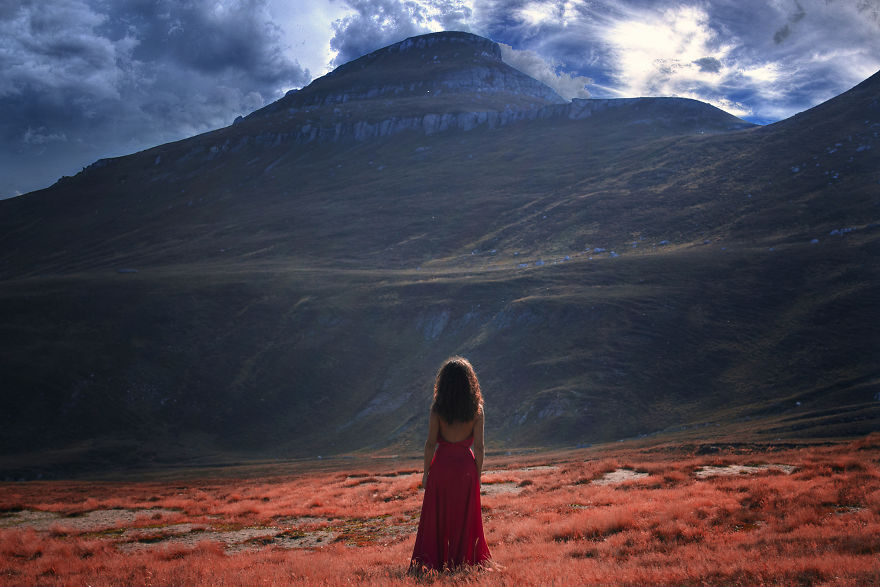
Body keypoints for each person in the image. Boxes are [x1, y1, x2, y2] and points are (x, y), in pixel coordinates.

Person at [409, 356, 492, 573]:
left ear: (443, 383)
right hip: (466, 470)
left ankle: (432, 565)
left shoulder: (437, 409)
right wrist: (478, 475)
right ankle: (463, 565)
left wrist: (426, 473)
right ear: (470, 382)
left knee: (437, 520)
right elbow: (480, 448)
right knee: (464, 521)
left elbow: (429, 444)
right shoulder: (477, 410)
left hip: (441, 469)